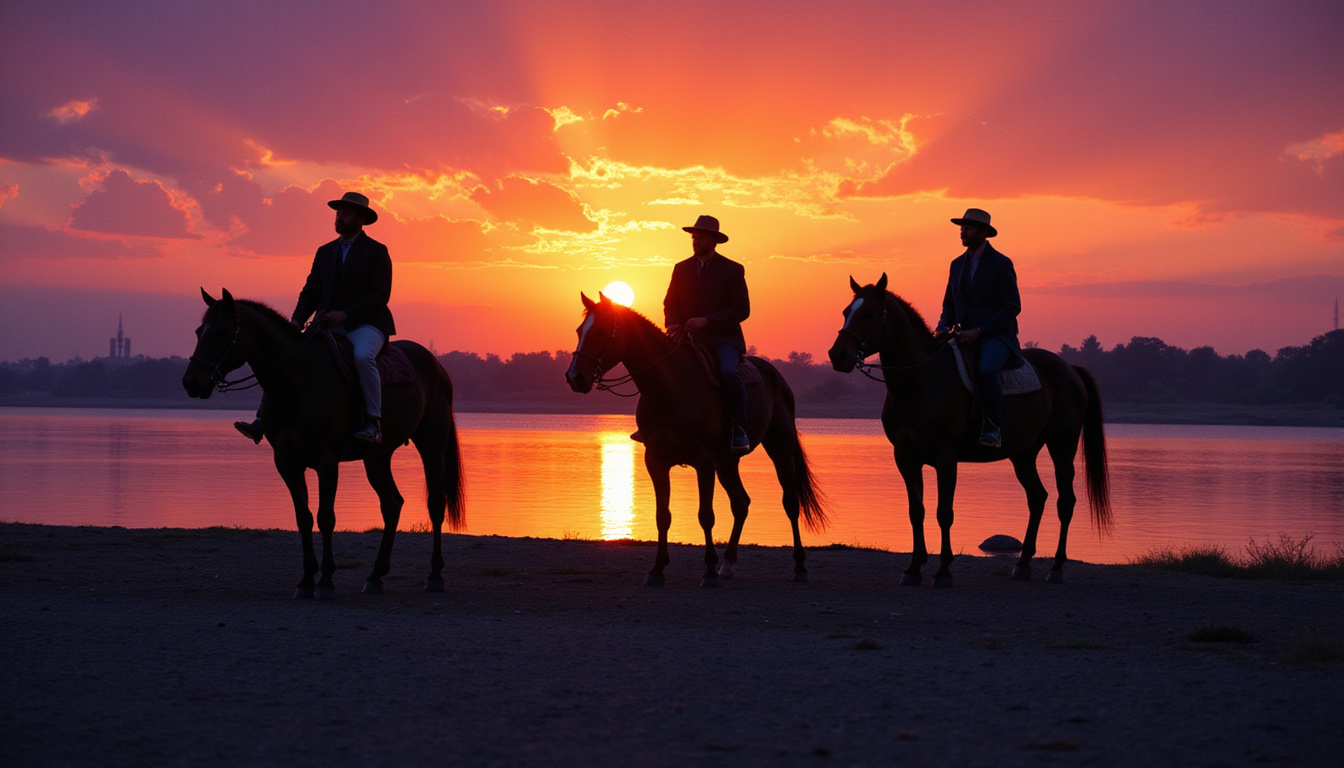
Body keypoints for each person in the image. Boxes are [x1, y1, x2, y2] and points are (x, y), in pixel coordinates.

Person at [234, 191, 395, 445]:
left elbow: (379, 295)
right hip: (328, 323)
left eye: (346, 213)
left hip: (367, 324)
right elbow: (310, 291)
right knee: (286, 355)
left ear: (361, 219)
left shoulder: (376, 251)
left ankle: (373, 421)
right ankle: (262, 419)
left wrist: (345, 314)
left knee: (363, 357)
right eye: (338, 213)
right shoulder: (325, 252)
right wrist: (297, 320)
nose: (340, 218)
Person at [933, 208, 1022, 449]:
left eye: (969, 228)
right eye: (962, 227)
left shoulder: (1002, 264)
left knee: (985, 371)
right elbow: (950, 303)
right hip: (962, 335)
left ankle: (993, 427)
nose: (963, 232)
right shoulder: (956, 265)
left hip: (996, 337)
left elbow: (1012, 306)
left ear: (984, 233)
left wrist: (980, 331)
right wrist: (942, 327)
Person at [662, 214, 752, 452]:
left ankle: (739, 428)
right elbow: (670, 303)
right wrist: (672, 324)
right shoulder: (680, 269)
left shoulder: (732, 270)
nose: (695, 241)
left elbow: (742, 309)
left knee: (728, 372)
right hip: (687, 338)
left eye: (701, 238)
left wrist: (707, 321)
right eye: (694, 237)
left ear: (714, 241)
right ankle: (653, 423)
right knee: (659, 366)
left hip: (723, 339)